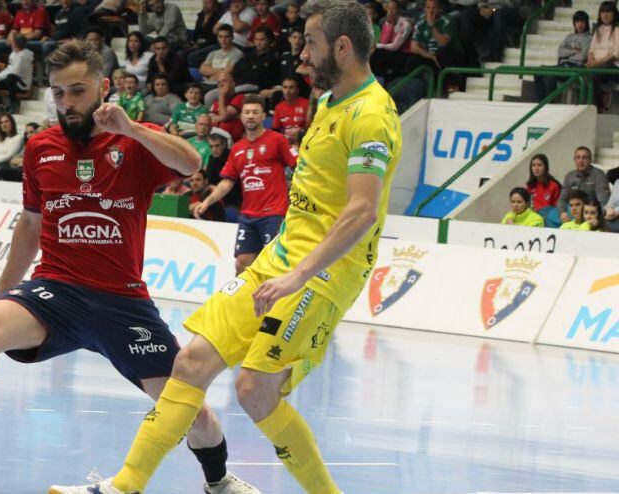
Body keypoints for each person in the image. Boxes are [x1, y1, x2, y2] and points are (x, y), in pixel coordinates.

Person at [50, 1, 402, 492]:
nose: (301, 50)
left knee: (255, 391)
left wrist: (298, 276)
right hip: (281, 254)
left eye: (313, 42)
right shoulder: (330, 101)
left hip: (323, 273)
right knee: (190, 362)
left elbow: (362, 212)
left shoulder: (372, 115)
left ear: (342, 47)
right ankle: (124, 486)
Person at [0, 40, 259, 494]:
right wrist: (3, 296)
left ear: (103, 88)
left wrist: (135, 129)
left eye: (78, 91)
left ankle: (218, 482)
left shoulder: (132, 142)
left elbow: (193, 161)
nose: (67, 103)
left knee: (190, 409)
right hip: (56, 292)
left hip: (122, 302)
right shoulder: (40, 148)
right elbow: (29, 226)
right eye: (59, 93)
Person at [193, 95, 296, 274]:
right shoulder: (238, 148)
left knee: (272, 262)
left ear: (263, 116)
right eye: (247, 112)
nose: (250, 116)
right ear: (241, 116)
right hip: (248, 215)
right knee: (241, 263)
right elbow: (227, 182)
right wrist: (207, 201)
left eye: (255, 112)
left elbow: (297, 167)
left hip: (274, 213)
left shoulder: (277, 140)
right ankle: (241, 300)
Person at [559, 146, 610, 219]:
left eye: (584, 157)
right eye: (578, 157)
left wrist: (600, 218)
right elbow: (562, 199)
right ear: (574, 160)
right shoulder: (570, 176)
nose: (581, 160)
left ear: (590, 160)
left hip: (591, 211)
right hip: (574, 210)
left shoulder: (598, 174)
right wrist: (562, 212)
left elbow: (603, 200)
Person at [525, 153, 562, 227]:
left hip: (549, 219)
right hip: (533, 218)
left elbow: (558, 208)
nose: (536, 168)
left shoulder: (554, 185)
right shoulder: (529, 185)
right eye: (534, 165)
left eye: (539, 165)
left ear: (545, 167)